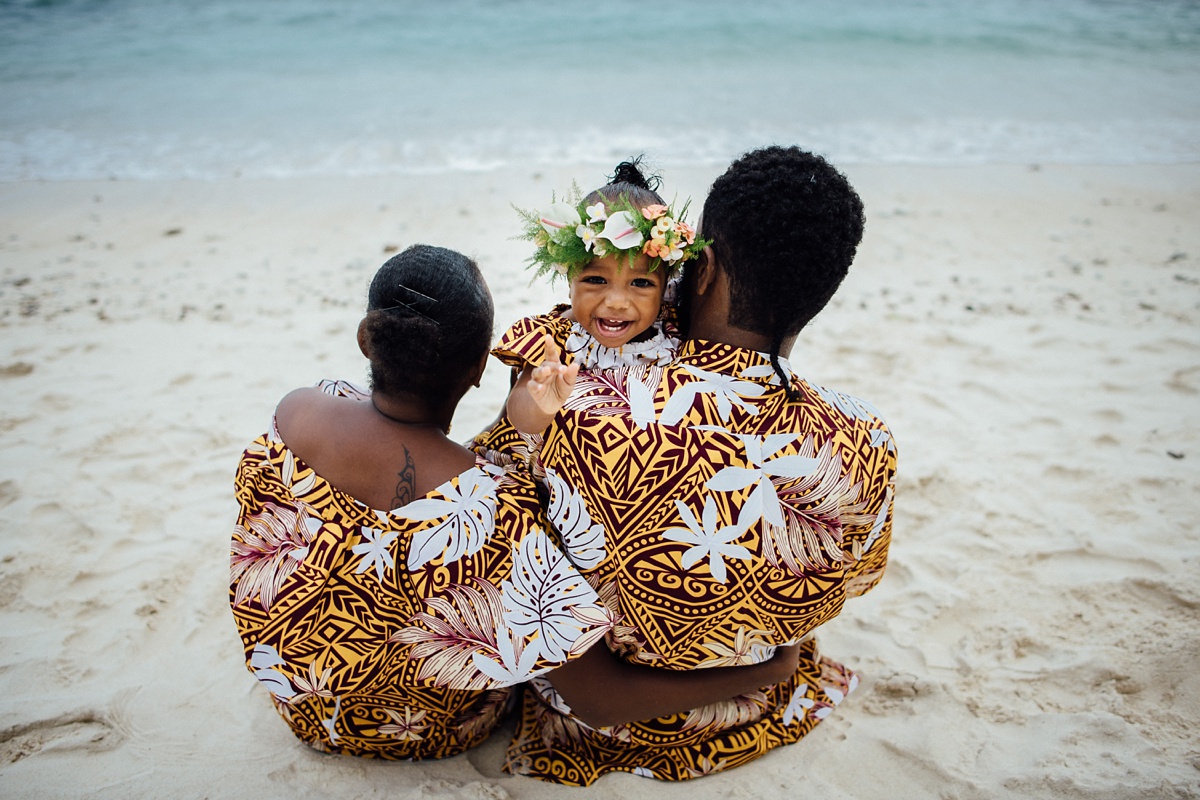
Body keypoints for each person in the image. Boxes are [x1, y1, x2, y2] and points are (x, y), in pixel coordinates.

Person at [228, 244, 804, 759]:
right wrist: (770, 668)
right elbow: (601, 701)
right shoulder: (487, 512)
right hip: (421, 732)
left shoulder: (296, 412)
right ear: (481, 368)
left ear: (366, 338)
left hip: (297, 700)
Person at [503, 147, 899, 784]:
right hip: (758, 705)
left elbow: (510, 557)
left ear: (700, 270)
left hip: (600, 720)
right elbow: (849, 586)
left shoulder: (574, 413)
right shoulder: (868, 438)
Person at [469, 160, 706, 471]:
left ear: (665, 289)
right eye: (596, 280)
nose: (617, 302)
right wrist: (542, 403)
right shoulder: (555, 340)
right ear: (569, 281)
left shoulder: (676, 328)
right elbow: (520, 416)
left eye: (641, 283)